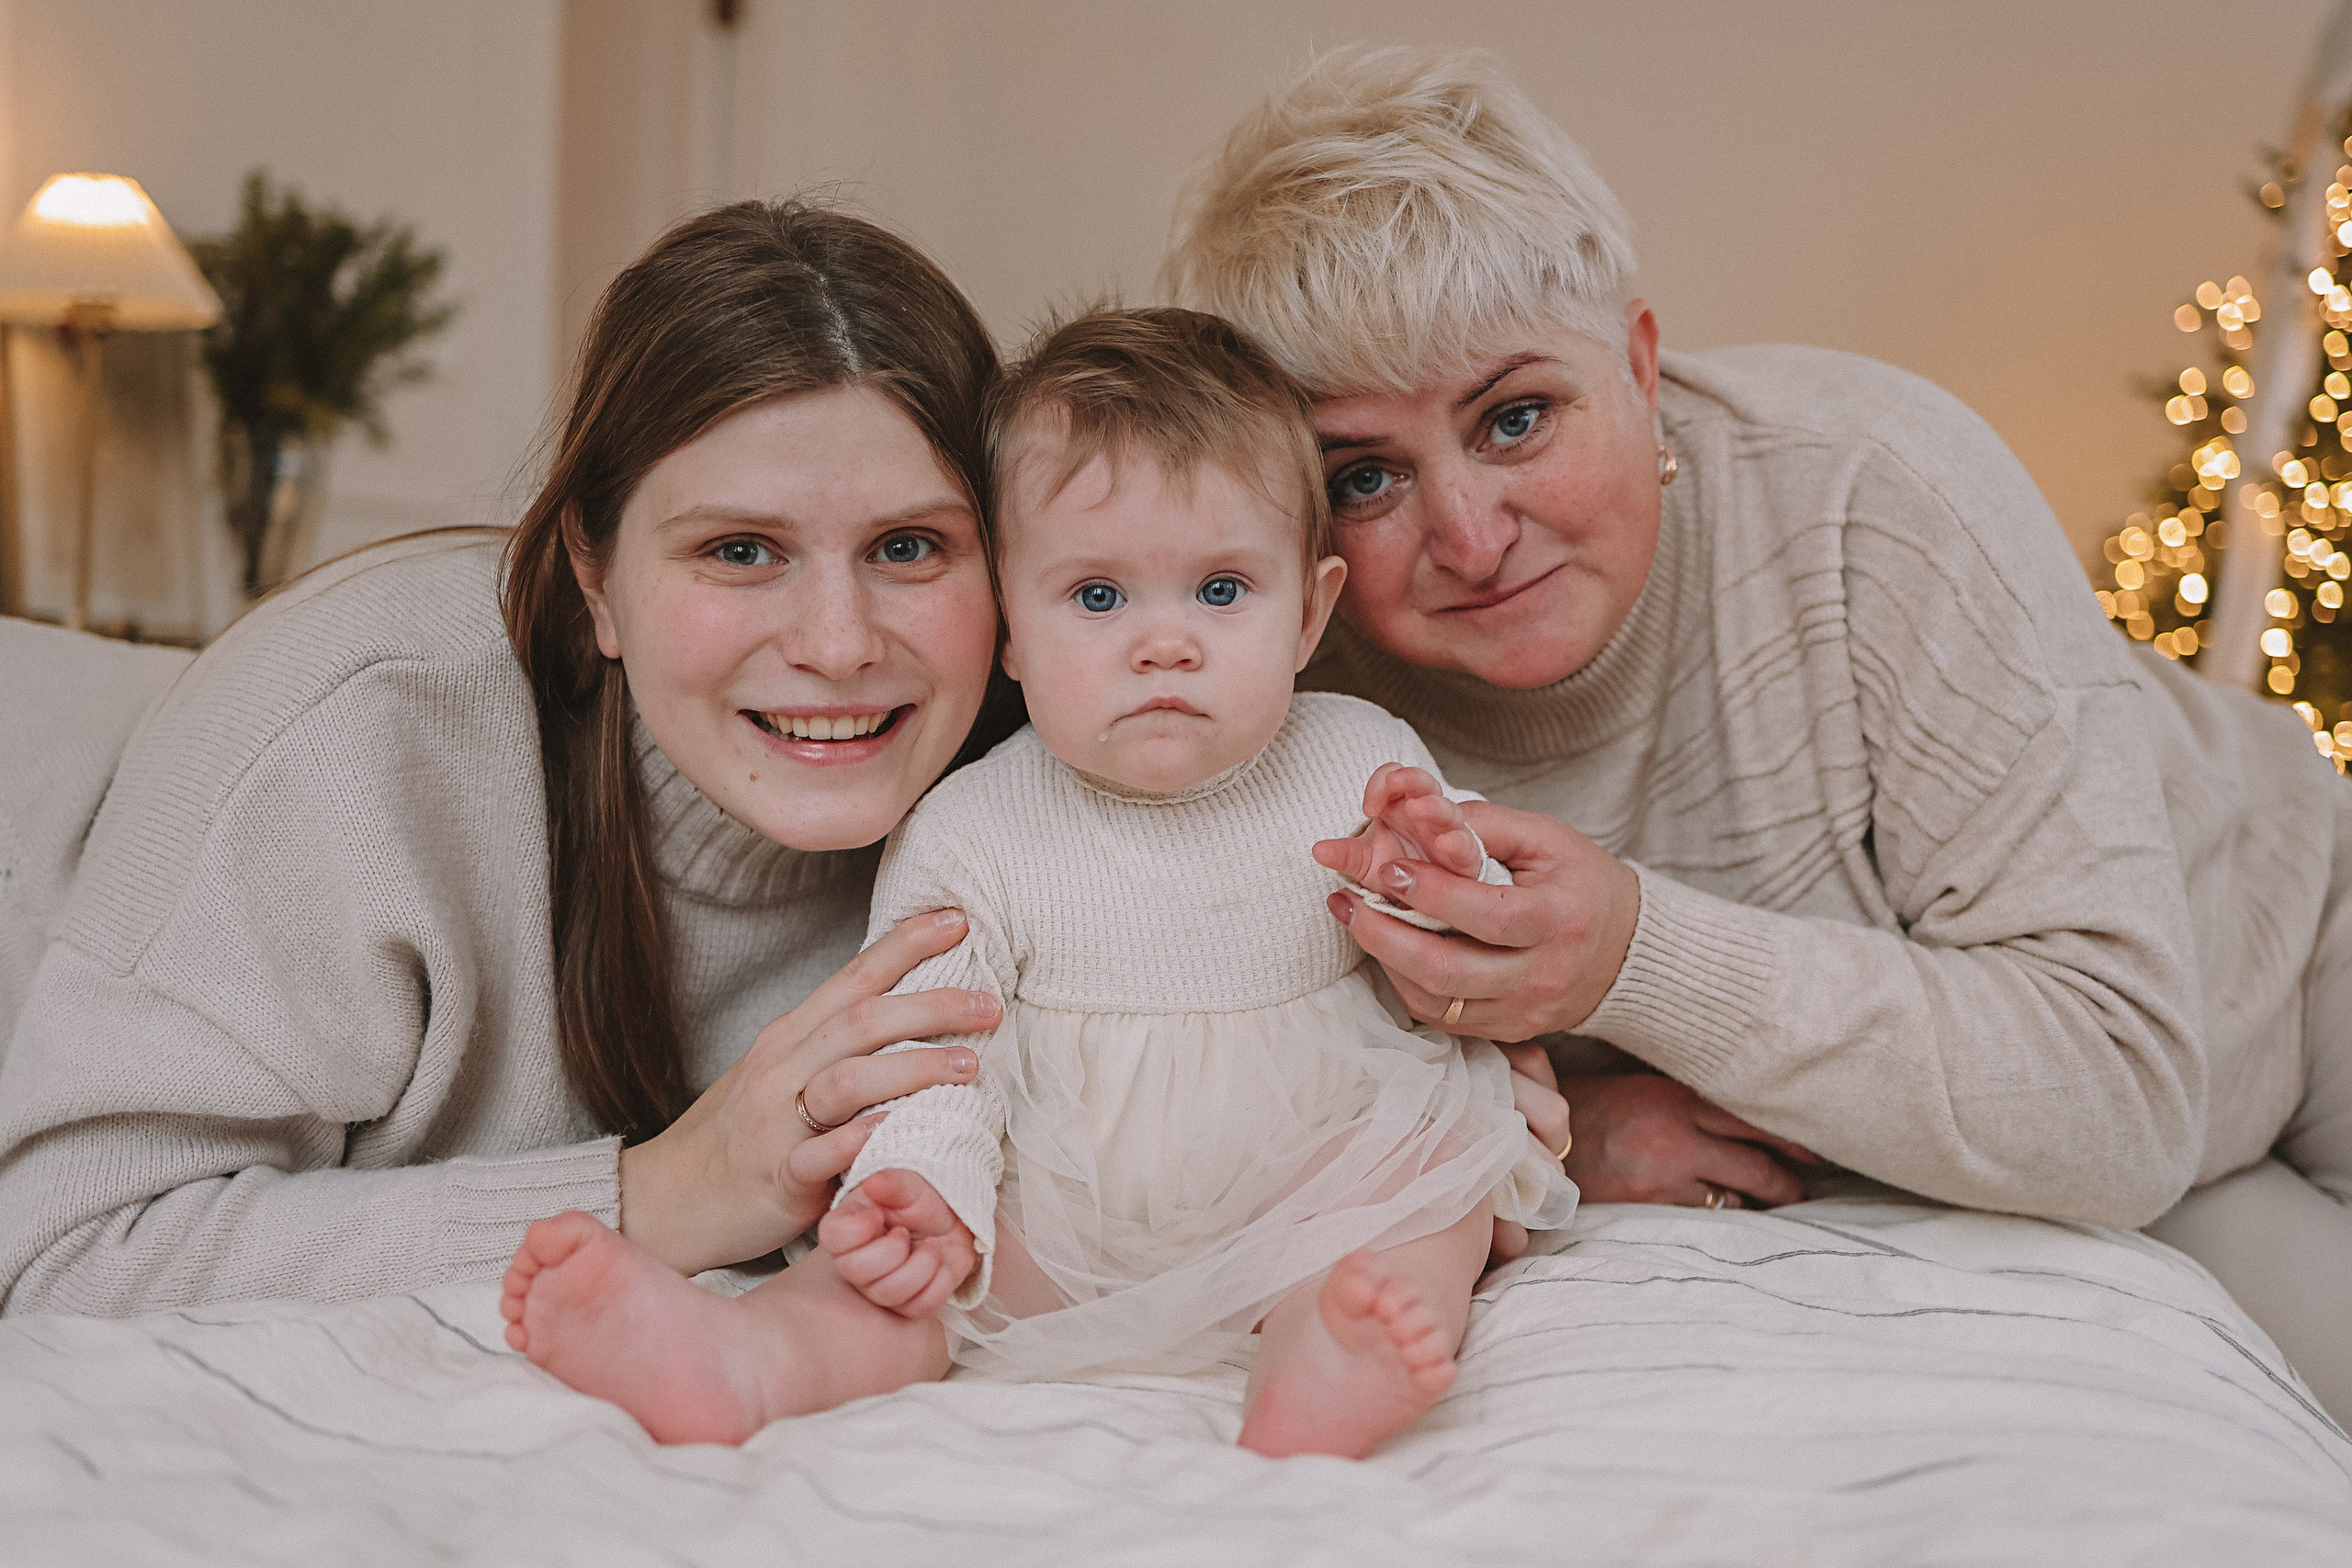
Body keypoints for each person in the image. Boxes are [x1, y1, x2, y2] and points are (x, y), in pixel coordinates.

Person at [1162, 44, 2352, 1419]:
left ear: (1642, 366)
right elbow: (1209, 1066)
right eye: (1363, 477)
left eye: (1518, 417)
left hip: (2281, 965)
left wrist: (1632, 955)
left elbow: (2118, 1082)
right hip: (2106, 1170)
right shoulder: (1268, 663)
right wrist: (1557, 1139)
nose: (1470, 537)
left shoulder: (1874, 487)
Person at [500, 307, 1577, 1459]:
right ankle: (748, 1359)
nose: (1165, 645)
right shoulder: (972, 827)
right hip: (1057, 1208)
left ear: (1309, 611)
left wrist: (1432, 862)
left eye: (1221, 592)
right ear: (1008, 632)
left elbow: (1451, 950)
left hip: (1310, 1177)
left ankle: (1323, 1348)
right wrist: (922, 1191)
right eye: (1099, 599)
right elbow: (927, 1052)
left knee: (1430, 1183)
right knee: (895, 1281)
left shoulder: (1362, 758)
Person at [0, 202, 1021, 1383]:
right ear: (595, 576)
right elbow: (56, 1256)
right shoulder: (367, 732)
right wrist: (657, 1196)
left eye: (909, 548)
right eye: (741, 550)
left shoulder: (1039, 792)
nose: (839, 645)